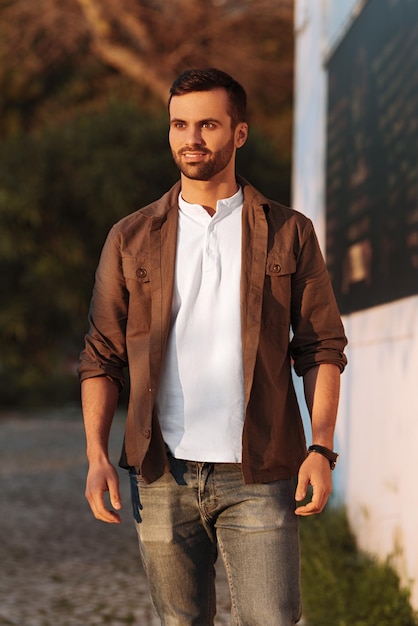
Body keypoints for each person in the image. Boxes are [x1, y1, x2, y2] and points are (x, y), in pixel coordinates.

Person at [79, 68, 347, 626]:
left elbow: (320, 346)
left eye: (207, 124)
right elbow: (102, 354)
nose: (191, 138)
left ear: (240, 133)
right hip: (160, 473)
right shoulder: (130, 237)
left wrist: (320, 449)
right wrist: (97, 455)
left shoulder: (289, 232)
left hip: (262, 471)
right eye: (180, 124)